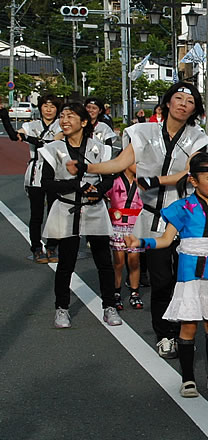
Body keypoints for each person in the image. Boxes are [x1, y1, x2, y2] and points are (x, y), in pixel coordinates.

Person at [75, 81, 208, 359]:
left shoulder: (200, 139)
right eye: (178, 98)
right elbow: (118, 163)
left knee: (185, 279)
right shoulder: (143, 131)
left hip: (187, 219)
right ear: (166, 102)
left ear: (195, 109)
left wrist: (154, 180)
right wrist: (87, 167)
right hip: (152, 218)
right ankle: (165, 334)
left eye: (189, 101)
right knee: (162, 279)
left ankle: (183, 333)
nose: (183, 104)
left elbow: (188, 174)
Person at [125, 152, 208, 398]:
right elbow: (165, 240)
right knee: (188, 326)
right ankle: (188, 379)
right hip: (189, 275)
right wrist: (141, 242)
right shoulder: (182, 207)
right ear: (193, 181)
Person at [40, 102, 120, 329]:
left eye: (70, 116)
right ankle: (61, 308)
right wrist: (76, 185)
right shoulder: (53, 148)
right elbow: (46, 183)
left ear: (84, 122)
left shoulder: (100, 148)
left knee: (104, 262)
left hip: (94, 209)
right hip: (66, 209)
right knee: (66, 262)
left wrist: (99, 191)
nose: (64, 120)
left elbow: (109, 176)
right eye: (62, 116)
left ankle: (109, 305)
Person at [1, 94, 62, 263]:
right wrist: (5, 117)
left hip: (56, 172)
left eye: (52, 107)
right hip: (37, 172)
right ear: (40, 107)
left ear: (57, 109)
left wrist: (28, 138)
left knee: (54, 212)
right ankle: (36, 247)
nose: (48, 110)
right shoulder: (31, 125)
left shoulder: (61, 125)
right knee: (36, 213)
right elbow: (15, 136)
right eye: (45, 106)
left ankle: (52, 246)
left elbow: (50, 143)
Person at [106, 163, 144, 310]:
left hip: (136, 225)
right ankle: (116, 292)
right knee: (119, 262)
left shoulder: (142, 182)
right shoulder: (114, 182)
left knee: (134, 261)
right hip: (117, 225)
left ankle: (134, 292)